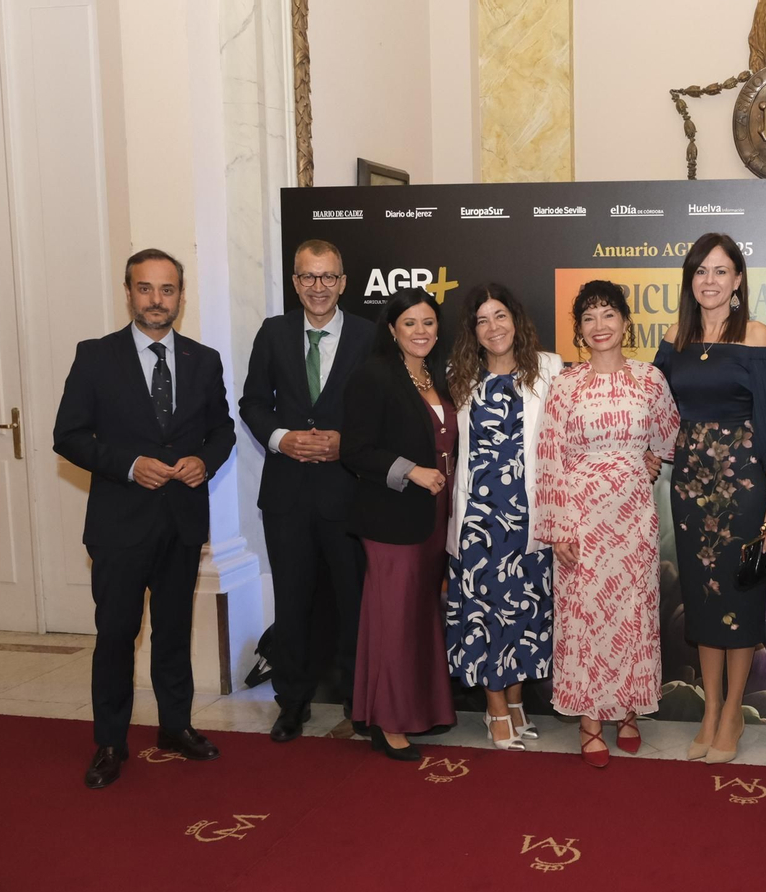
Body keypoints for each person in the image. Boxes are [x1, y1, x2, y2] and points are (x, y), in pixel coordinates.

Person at [53, 248, 236, 789]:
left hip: (181, 522)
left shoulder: (204, 360)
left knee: (174, 632)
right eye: (146, 289)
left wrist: (207, 458)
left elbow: (221, 429)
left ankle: (175, 728)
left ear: (181, 295)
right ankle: (110, 741)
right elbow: (69, 436)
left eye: (168, 290)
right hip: (119, 525)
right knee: (116, 634)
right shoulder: (95, 357)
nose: (157, 301)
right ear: (128, 291)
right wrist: (130, 466)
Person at [654, 233, 766, 764]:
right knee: (702, 598)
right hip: (689, 486)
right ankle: (710, 708)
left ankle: (734, 709)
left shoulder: (755, 335)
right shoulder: (676, 338)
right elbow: (654, 408)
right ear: (690, 280)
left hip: (744, 484)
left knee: (739, 596)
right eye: (700, 271)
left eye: (720, 271)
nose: (709, 281)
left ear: (738, 280)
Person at [535, 280, 679, 767]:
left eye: (608, 314)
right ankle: (591, 719)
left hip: (634, 519)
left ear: (625, 322)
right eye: (589, 318)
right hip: (580, 518)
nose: (600, 326)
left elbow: (669, 434)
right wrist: (557, 527)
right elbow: (549, 457)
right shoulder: (566, 384)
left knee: (633, 614)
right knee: (585, 616)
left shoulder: (649, 380)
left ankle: (630, 710)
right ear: (579, 329)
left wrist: (651, 462)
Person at [239, 239, 374, 743]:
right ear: (295, 282)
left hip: (348, 496)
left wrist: (348, 444)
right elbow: (252, 402)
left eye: (329, 277)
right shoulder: (272, 334)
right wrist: (282, 439)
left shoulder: (369, 334)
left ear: (343, 281)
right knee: (292, 604)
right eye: (308, 277)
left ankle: (359, 703)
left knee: (353, 604)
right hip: (288, 497)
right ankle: (291, 704)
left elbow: (384, 407)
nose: (319, 287)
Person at [442, 283, 561, 750]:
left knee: (524, 612)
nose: (493, 327)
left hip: (531, 515)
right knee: (486, 612)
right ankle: (495, 710)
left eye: (500, 316)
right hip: (479, 519)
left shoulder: (549, 368)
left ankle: (514, 703)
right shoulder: (458, 374)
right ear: (473, 331)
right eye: (482, 320)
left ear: (517, 319)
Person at [341, 287, 458, 761]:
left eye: (428, 322)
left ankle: (419, 710)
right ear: (391, 329)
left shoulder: (436, 375)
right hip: (393, 519)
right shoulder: (373, 376)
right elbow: (355, 452)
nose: (421, 331)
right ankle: (387, 722)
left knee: (420, 617)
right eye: (410, 323)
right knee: (394, 619)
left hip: (435, 516)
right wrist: (410, 470)